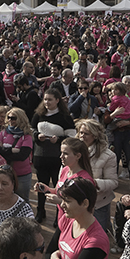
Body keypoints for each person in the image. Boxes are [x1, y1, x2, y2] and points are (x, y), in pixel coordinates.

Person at [32, 88, 75, 223]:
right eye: (45, 99)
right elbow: (31, 130)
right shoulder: (38, 115)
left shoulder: (65, 117)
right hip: (40, 157)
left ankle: (59, 215)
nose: (46, 102)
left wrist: (60, 139)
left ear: (57, 100)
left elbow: (72, 136)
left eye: (50, 99)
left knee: (59, 188)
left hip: (57, 159)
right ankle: (40, 211)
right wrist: (37, 136)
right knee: (41, 187)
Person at [77, 118, 120, 238]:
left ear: (95, 136)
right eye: (81, 132)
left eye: (86, 133)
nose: (82, 136)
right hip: (77, 201)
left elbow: (113, 182)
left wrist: (93, 183)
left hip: (98, 203)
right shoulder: (72, 151)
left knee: (97, 235)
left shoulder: (108, 156)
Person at [0, 107, 35, 201]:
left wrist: (4, 150)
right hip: (6, 174)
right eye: (8, 117)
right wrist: (12, 150)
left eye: (13, 118)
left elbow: (22, 156)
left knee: (22, 201)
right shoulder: (3, 132)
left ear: (20, 119)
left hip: (22, 175)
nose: (10, 120)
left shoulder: (27, 136)